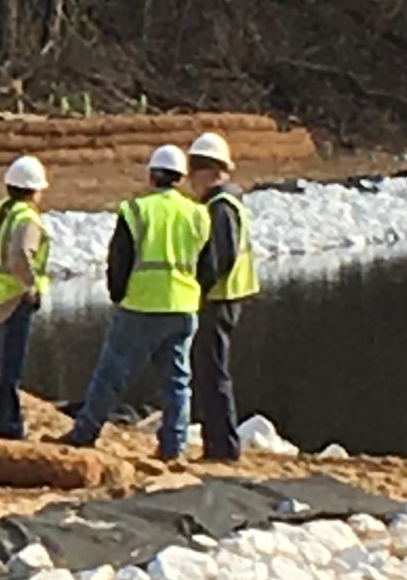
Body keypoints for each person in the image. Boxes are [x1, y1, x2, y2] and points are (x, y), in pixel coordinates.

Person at [57, 144, 210, 460]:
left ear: (152, 175)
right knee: (178, 382)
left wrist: (118, 295)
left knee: (111, 374)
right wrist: (196, 293)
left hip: (140, 305)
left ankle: (85, 433)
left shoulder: (136, 211)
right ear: (181, 178)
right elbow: (208, 262)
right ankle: (174, 446)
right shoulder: (197, 213)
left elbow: (119, 261)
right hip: (182, 305)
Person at [187, 130, 259, 461]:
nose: (189, 178)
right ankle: (219, 442)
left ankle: (222, 446)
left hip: (219, 300)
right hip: (228, 298)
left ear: (208, 170)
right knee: (210, 370)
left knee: (212, 371)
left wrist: (196, 289)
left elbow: (219, 257)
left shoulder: (220, 207)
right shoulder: (230, 202)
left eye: (193, 170)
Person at [0, 155, 51, 440]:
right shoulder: (26, 218)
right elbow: (19, 256)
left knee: (5, 363)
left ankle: (4, 422)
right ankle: (8, 427)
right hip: (13, 296)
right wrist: (31, 286)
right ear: (34, 190)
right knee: (12, 367)